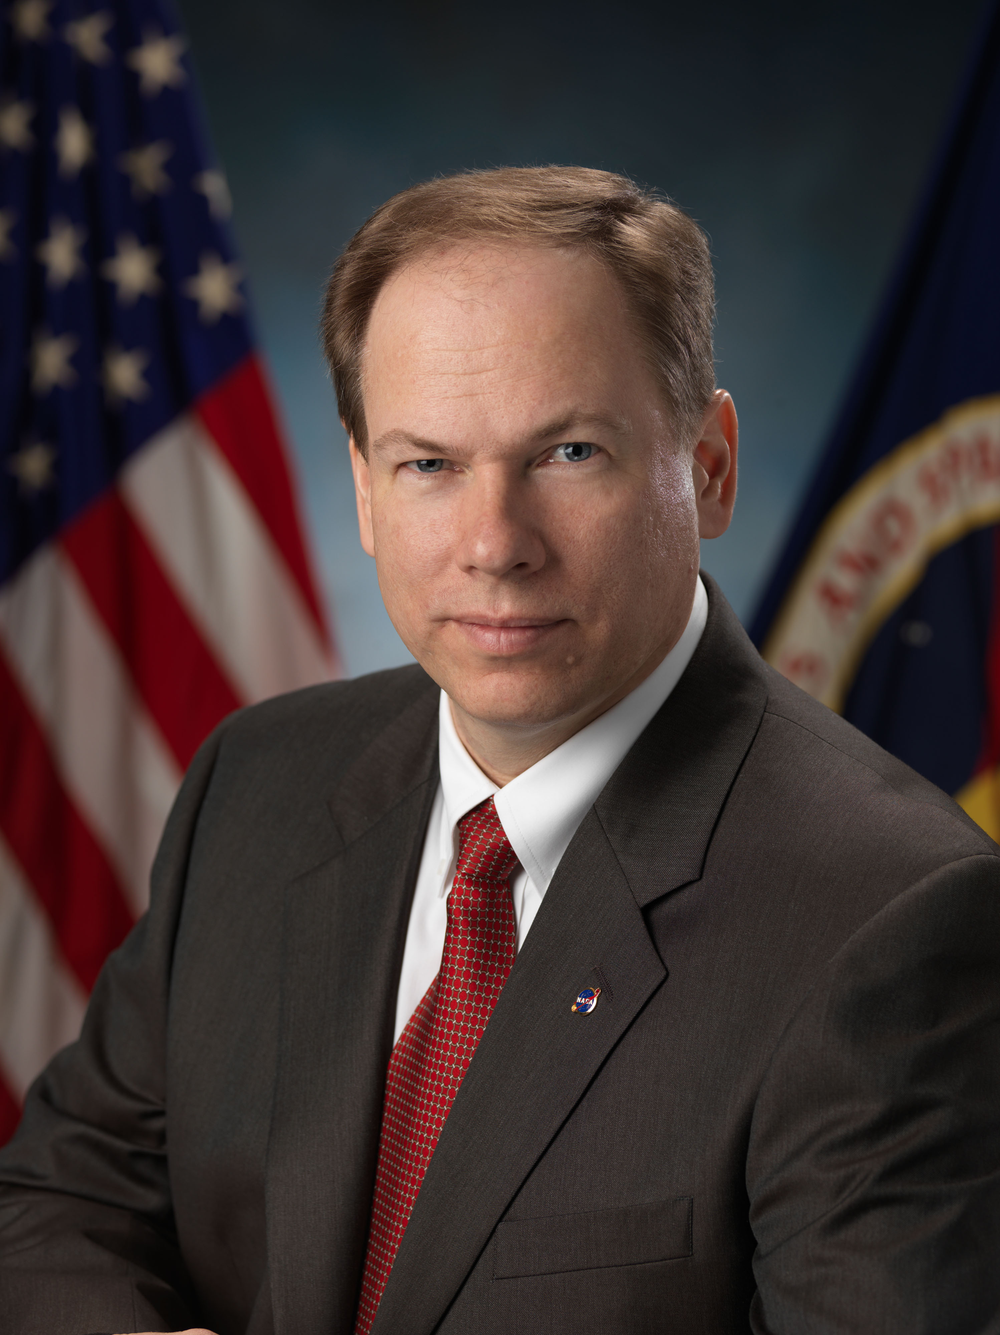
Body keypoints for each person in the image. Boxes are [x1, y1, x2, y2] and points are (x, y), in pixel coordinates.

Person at [1, 166, 999, 1335]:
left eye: (569, 454)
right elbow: (58, 1201)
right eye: (428, 465)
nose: (494, 544)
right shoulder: (258, 783)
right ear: (365, 489)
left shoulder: (887, 922)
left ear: (709, 468)